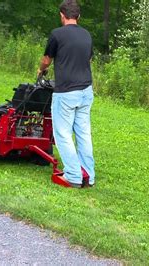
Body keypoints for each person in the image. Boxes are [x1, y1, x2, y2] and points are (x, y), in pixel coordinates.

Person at [37, 0, 95, 188]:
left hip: (66, 92)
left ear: (62, 15)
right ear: (78, 16)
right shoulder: (87, 35)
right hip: (86, 91)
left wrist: (41, 70)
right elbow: (89, 58)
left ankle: (73, 176)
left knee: (62, 133)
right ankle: (89, 176)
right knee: (83, 134)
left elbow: (47, 60)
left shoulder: (57, 34)